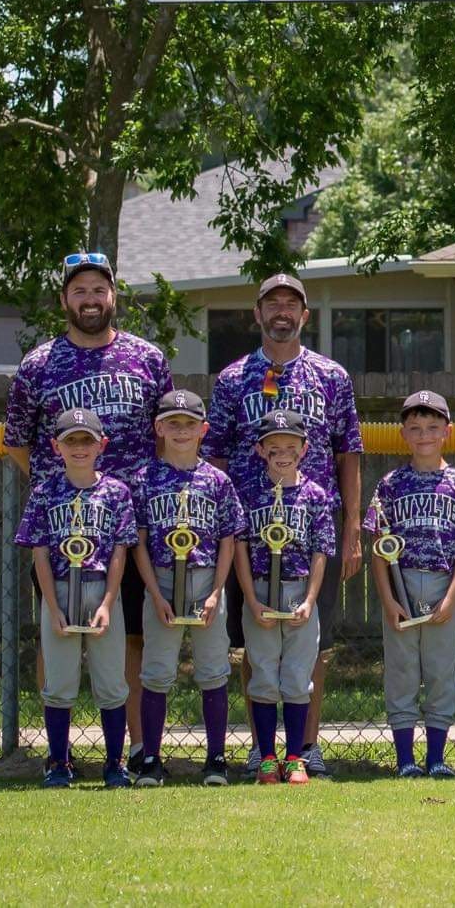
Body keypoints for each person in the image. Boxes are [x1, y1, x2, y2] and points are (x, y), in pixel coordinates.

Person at [2, 251, 171, 769]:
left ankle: (135, 748)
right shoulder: (38, 365)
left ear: (113, 296)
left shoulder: (147, 358)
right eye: (80, 291)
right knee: (59, 632)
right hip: (65, 530)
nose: (91, 299)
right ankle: (61, 752)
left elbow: (168, 431)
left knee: (132, 636)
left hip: (136, 524)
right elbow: (16, 440)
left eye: (99, 289)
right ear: (64, 300)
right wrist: (63, 489)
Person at [203, 271, 362, 779]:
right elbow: (217, 459)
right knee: (255, 640)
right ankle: (261, 749)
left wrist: (353, 528)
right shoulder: (232, 380)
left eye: (291, 304)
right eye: (271, 303)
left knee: (310, 641)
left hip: (312, 533)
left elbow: (348, 455)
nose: (281, 312)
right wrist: (219, 529)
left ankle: (306, 747)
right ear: (257, 313)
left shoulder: (331, 377)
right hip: (249, 534)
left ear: (304, 315)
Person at [363, 391, 455, 779]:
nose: (424, 435)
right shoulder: (390, 483)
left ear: (447, 432)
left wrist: (453, 595)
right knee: (401, 672)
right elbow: (379, 546)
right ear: (403, 433)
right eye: (415, 428)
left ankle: (436, 757)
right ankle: (405, 760)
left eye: (433, 427)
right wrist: (387, 599)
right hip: (400, 587)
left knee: (440, 672)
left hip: (441, 584)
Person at [15, 409, 138, 789]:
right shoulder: (45, 492)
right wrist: (52, 609)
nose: (79, 448)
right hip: (62, 590)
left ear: (102, 444)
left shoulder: (116, 492)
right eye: (71, 441)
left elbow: (120, 551)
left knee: (111, 682)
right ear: (56, 446)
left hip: (102, 592)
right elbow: (38, 553)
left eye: (87, 440)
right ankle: (58, 762)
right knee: (60, 682)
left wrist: (107, 603)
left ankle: (115, 764)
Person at [130, 388, 242, 787]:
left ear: (203, 430)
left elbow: (229, 537)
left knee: (214, 670)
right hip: (160, 580)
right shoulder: (143, 478)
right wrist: (155, 593)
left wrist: (216, 591)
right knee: (157, 672)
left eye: (189, 424)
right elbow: (138, 542)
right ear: (158, 428)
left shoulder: (218, 481)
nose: (181, 431)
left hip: (207, 578)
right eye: (173, 424)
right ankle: (151, 760)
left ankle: (215, 758)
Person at [235, 409, 336, 785]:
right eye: (274, 446)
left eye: (290, 446)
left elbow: (320, 552)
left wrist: (310, 599)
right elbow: (241, 548)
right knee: (262, 674)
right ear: (261, 450)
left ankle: (295, 757)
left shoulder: (315, 495)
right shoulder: (248, 492)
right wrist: (250, 597)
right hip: (260, 591)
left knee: (296, 677)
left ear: (304, 449)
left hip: (299, 591)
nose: (282, 453)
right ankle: (265, 758)